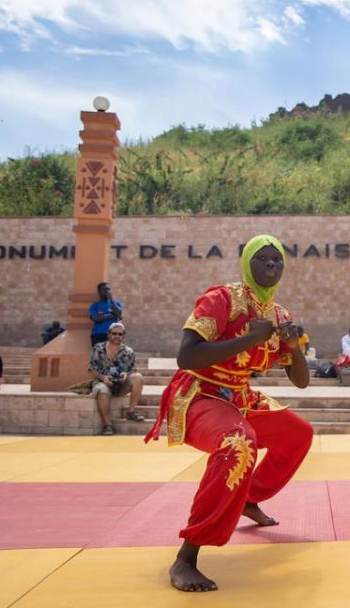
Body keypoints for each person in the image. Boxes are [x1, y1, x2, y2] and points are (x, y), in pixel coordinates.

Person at [143, 235, 313, 592]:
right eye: (262, 259)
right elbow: (187, 357)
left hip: (240, 395)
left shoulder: (281, 315)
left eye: (277, 260)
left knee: (299, 434)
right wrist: (251, 339)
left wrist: (294, 346)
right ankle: (187, 557)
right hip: (199, 393)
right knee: (239, 444)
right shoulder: (221, 299)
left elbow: (300, 382)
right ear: (247, 263)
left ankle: (247, 498)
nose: (271, 265)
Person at [87, 322, 145, 435]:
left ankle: (131, 411)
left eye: (120, 334)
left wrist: (126, 374)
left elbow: (133, 369)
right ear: (109, 334)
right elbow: (91, 369)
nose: (117, 336)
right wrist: (103, 378)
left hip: (121, 384)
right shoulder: (98, 348)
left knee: (138, 378)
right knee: (101, 391)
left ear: (123, 335)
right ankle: (108, 425)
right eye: (114, 333)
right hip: (103, 381)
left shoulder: (128, 352)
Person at [88, 282, 124, 346]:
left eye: (108, 289)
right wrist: (111, 315)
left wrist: (111, 300)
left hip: (113, 335)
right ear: (99, 292)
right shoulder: (94, 305)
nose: (107, 291)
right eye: (104, 289)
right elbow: (96, 318)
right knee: (98, 355)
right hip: (98, 335)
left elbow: (119, 314)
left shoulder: (117, 303)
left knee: (112, 355)